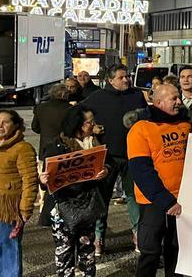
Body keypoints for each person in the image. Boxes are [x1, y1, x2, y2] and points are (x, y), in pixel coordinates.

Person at [81, 64, 147, 256]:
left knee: (135, 197)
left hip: (134, 155)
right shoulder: (97, 97)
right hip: (107, 156)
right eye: (121, 77)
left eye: (127, 76)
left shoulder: (136, 95)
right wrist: (91, 128)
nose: (126, 80)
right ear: (110, 80)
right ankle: (98, 238)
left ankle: (138, 235)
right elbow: (76, 115)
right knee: (102, 198)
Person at [127, 83, 192, 277]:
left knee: (177, 251)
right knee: (150, 252)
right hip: (154, 202)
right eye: (174, 98)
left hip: (183, 199)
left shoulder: (186, 125)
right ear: (158, 102)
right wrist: (166, 201)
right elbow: (141, 171)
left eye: (178, 97)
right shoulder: (141, 129)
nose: (179, 102)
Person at [39, 105, 111, 277]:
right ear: (77, 124)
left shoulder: (95, 142)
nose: (93, 125)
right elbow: (46, 178)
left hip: (88, 204)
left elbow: (110, 163)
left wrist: (105, 170)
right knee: (65, 252)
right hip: (64, 205)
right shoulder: (57, 145)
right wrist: (42, 180)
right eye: (89, 122)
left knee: (87, 250)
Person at [0, 110, 39, 276]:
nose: (0, 125)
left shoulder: (23, 148)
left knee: (7, 249)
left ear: (16, 125)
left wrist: (25, 211)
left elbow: (30, 181)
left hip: (10, 209)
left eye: (5, 122)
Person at [32, 83, 74, 158]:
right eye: (67, 93)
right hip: (64, 150)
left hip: (45, 149)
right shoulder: (70, 109)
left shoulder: (40, 107)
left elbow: (35, 127)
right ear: (63, 94)